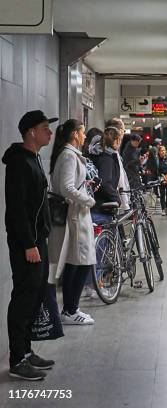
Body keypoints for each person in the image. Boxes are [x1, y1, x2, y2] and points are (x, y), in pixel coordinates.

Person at [2, 110, 56, 380]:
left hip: (38, 241)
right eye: (45, 127)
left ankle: (25, 350)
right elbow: (17, 210)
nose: (50, 132)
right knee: (24, 298)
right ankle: (16, 359)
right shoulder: (19, 164)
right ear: (31, 132)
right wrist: (28, 244)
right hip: (28, 245)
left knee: (34, 296)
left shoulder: (33, 159)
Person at [48, 119, 96, 325]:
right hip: (75, 216)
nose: (85, 136)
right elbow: (67, 187)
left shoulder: (69, 154)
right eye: (83, 132)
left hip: (77, 215)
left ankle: (71, 309)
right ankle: (70, 310)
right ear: (75, 134)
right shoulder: (69, 155)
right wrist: (88, 199)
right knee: (80, 263)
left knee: (76, 263)